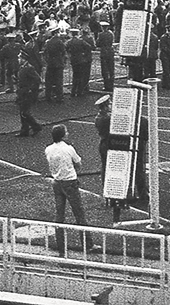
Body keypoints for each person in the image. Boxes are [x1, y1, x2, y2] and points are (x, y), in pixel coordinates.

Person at [44, 124, 86, 255]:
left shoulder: (48, 149)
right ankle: (87, 243)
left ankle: (61, 245)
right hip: (70, 182)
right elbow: (78, 164)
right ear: (62, 135)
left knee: (59, 215)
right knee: (79, 213)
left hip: (57, 182)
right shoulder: (69, 148)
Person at [16, 53, 43, 137]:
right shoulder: (23, 67)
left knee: (25, 112)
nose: (18, 59)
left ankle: (36, 126)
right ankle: (24, 130)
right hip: (22, 92)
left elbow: (37, 79)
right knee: (22, 112)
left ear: (24, 59)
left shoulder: (29, 68)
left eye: (19, 57)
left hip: (27, 93)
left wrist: (31, 89)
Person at [93, 94, 112, 178]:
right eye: (109, 104)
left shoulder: (99, 116)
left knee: (105, 165)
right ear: (105, 106)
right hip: (108, 142)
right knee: (107, 165)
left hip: (103, 142)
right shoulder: (106, 118)